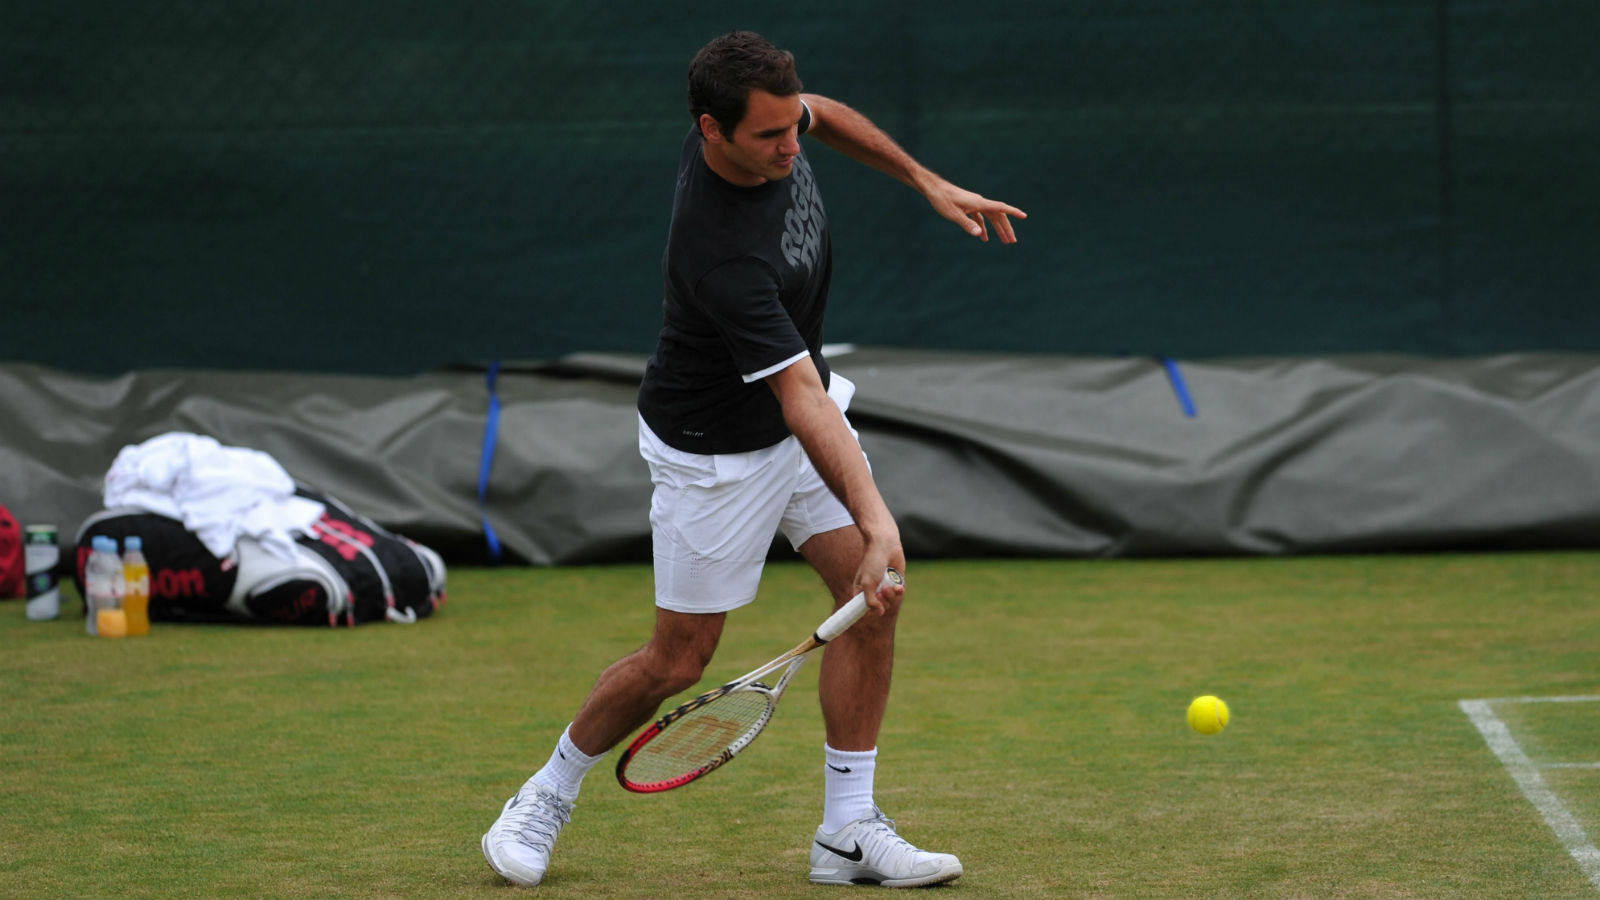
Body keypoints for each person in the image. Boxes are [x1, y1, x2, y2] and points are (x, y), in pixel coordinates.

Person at [482, 30, 1024, 889]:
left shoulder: (773, 125)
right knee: (678, 661)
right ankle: (544, 794)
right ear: (712, 130)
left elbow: (826, 115)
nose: (790, 144)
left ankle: (847, 833)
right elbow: (801, 399)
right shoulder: (721, 252)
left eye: (790, 126)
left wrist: (926, 180)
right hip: (713, 458)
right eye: (770, 135)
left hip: (792, 424)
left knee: (870, 601)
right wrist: (880, 519)